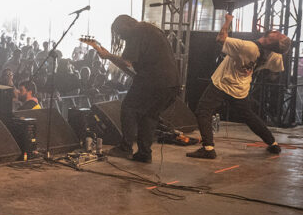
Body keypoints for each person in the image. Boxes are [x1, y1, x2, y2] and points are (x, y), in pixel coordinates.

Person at [187, 14, 291, 159]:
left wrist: (228, 21)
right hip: (240, 89)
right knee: (249, 117)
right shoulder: (275, 56)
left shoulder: (248, 47)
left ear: (269, 40)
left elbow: (220, 38)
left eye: (277, 34)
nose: (276, 31)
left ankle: (208, 148)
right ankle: (273, 143)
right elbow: (274, 74)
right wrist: (254, 68)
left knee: (203, 111)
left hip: (222, 83)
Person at [83, 15, 179, 164]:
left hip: (153, 81)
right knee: (149, 116)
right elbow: (133, 69)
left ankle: (125, 148)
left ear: (125, 26)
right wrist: (109, 57)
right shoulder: (149, 30)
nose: (121, 37)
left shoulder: (136, 31)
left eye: (120, 33)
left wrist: (108, 55)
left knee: (128, 107)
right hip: (170, 83)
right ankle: (144, 153)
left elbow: (126, 63)